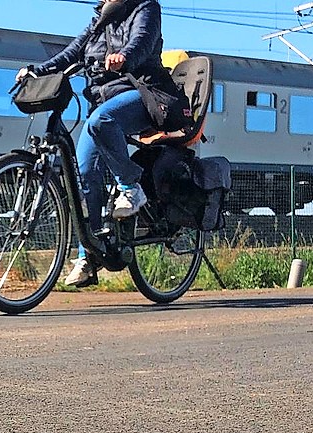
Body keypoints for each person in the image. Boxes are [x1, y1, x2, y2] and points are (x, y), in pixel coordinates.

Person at [19, 0, 187, 286]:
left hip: (142, 93)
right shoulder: (99, 19)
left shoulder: (145, 7)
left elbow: (142, 41)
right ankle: (88, 255)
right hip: (103, 103)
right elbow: (73, 51)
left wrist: (124, 57)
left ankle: (131, 187)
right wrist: (39, 70)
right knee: (85, 176)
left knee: (100, 121)